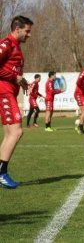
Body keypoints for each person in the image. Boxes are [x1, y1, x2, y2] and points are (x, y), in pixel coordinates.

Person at [0, 15, 33, 188]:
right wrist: (15, 76)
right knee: (17, 131)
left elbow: (10, 70)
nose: (29, 35)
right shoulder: (6, 44)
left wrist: (20, 81)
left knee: (9, 134)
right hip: (3, 92)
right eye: (27, 31)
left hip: (8, 91)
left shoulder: (16, 47)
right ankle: (2, 172)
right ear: (17, 28)